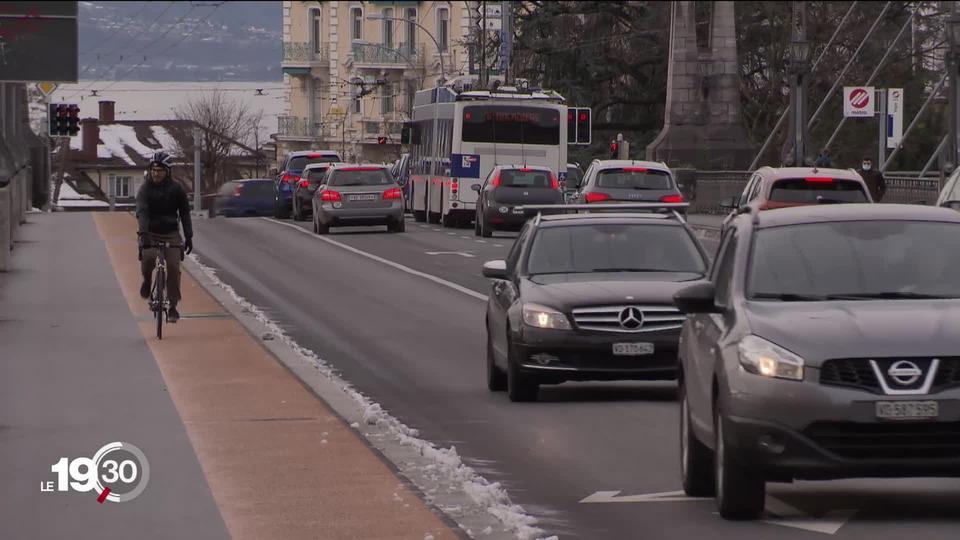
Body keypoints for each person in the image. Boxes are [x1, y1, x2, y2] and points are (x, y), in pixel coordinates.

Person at [136, 151, 194, 323]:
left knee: (174, 267)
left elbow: (184, 213)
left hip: (171, 233)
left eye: (160, 170)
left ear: (167, 171)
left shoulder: (176, 189)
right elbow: (142, 212)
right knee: (148, 258)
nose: (156, 173)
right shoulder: (145, 189)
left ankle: (173, 306)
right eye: (154, 170)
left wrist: (188, 236)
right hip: (150, 231)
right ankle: (147, 280)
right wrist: (144, 235)